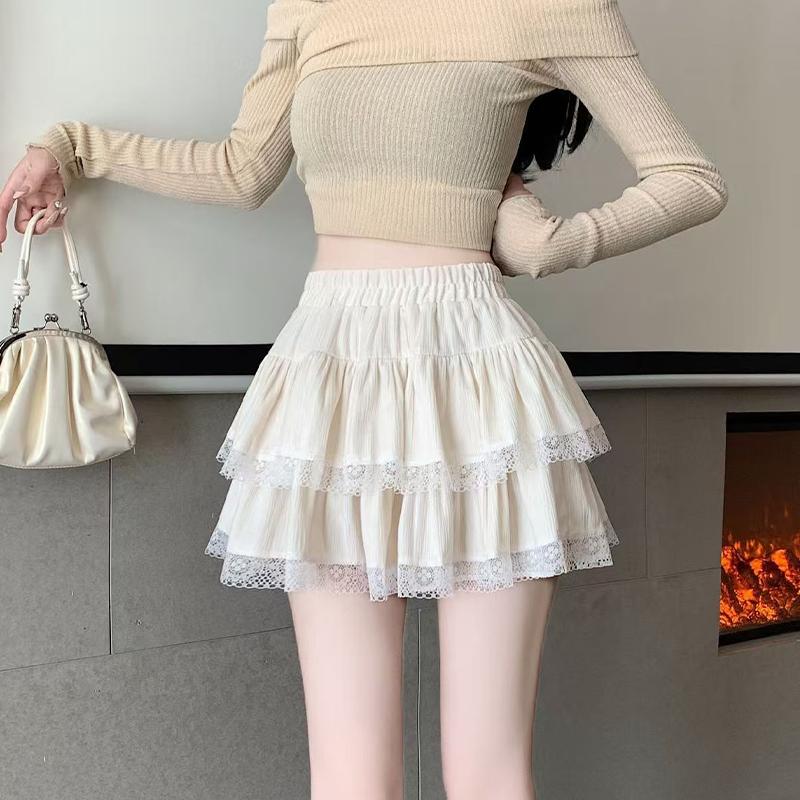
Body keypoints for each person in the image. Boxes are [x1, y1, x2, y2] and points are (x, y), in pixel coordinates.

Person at [0, 1, 728, 797]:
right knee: (349, 777)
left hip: (475, 379)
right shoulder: (309, 6)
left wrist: (548, 242)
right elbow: (242, 170)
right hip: (333, 373)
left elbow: (690, 180)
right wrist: (71, 147)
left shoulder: (551, 6)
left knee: (487, 774)